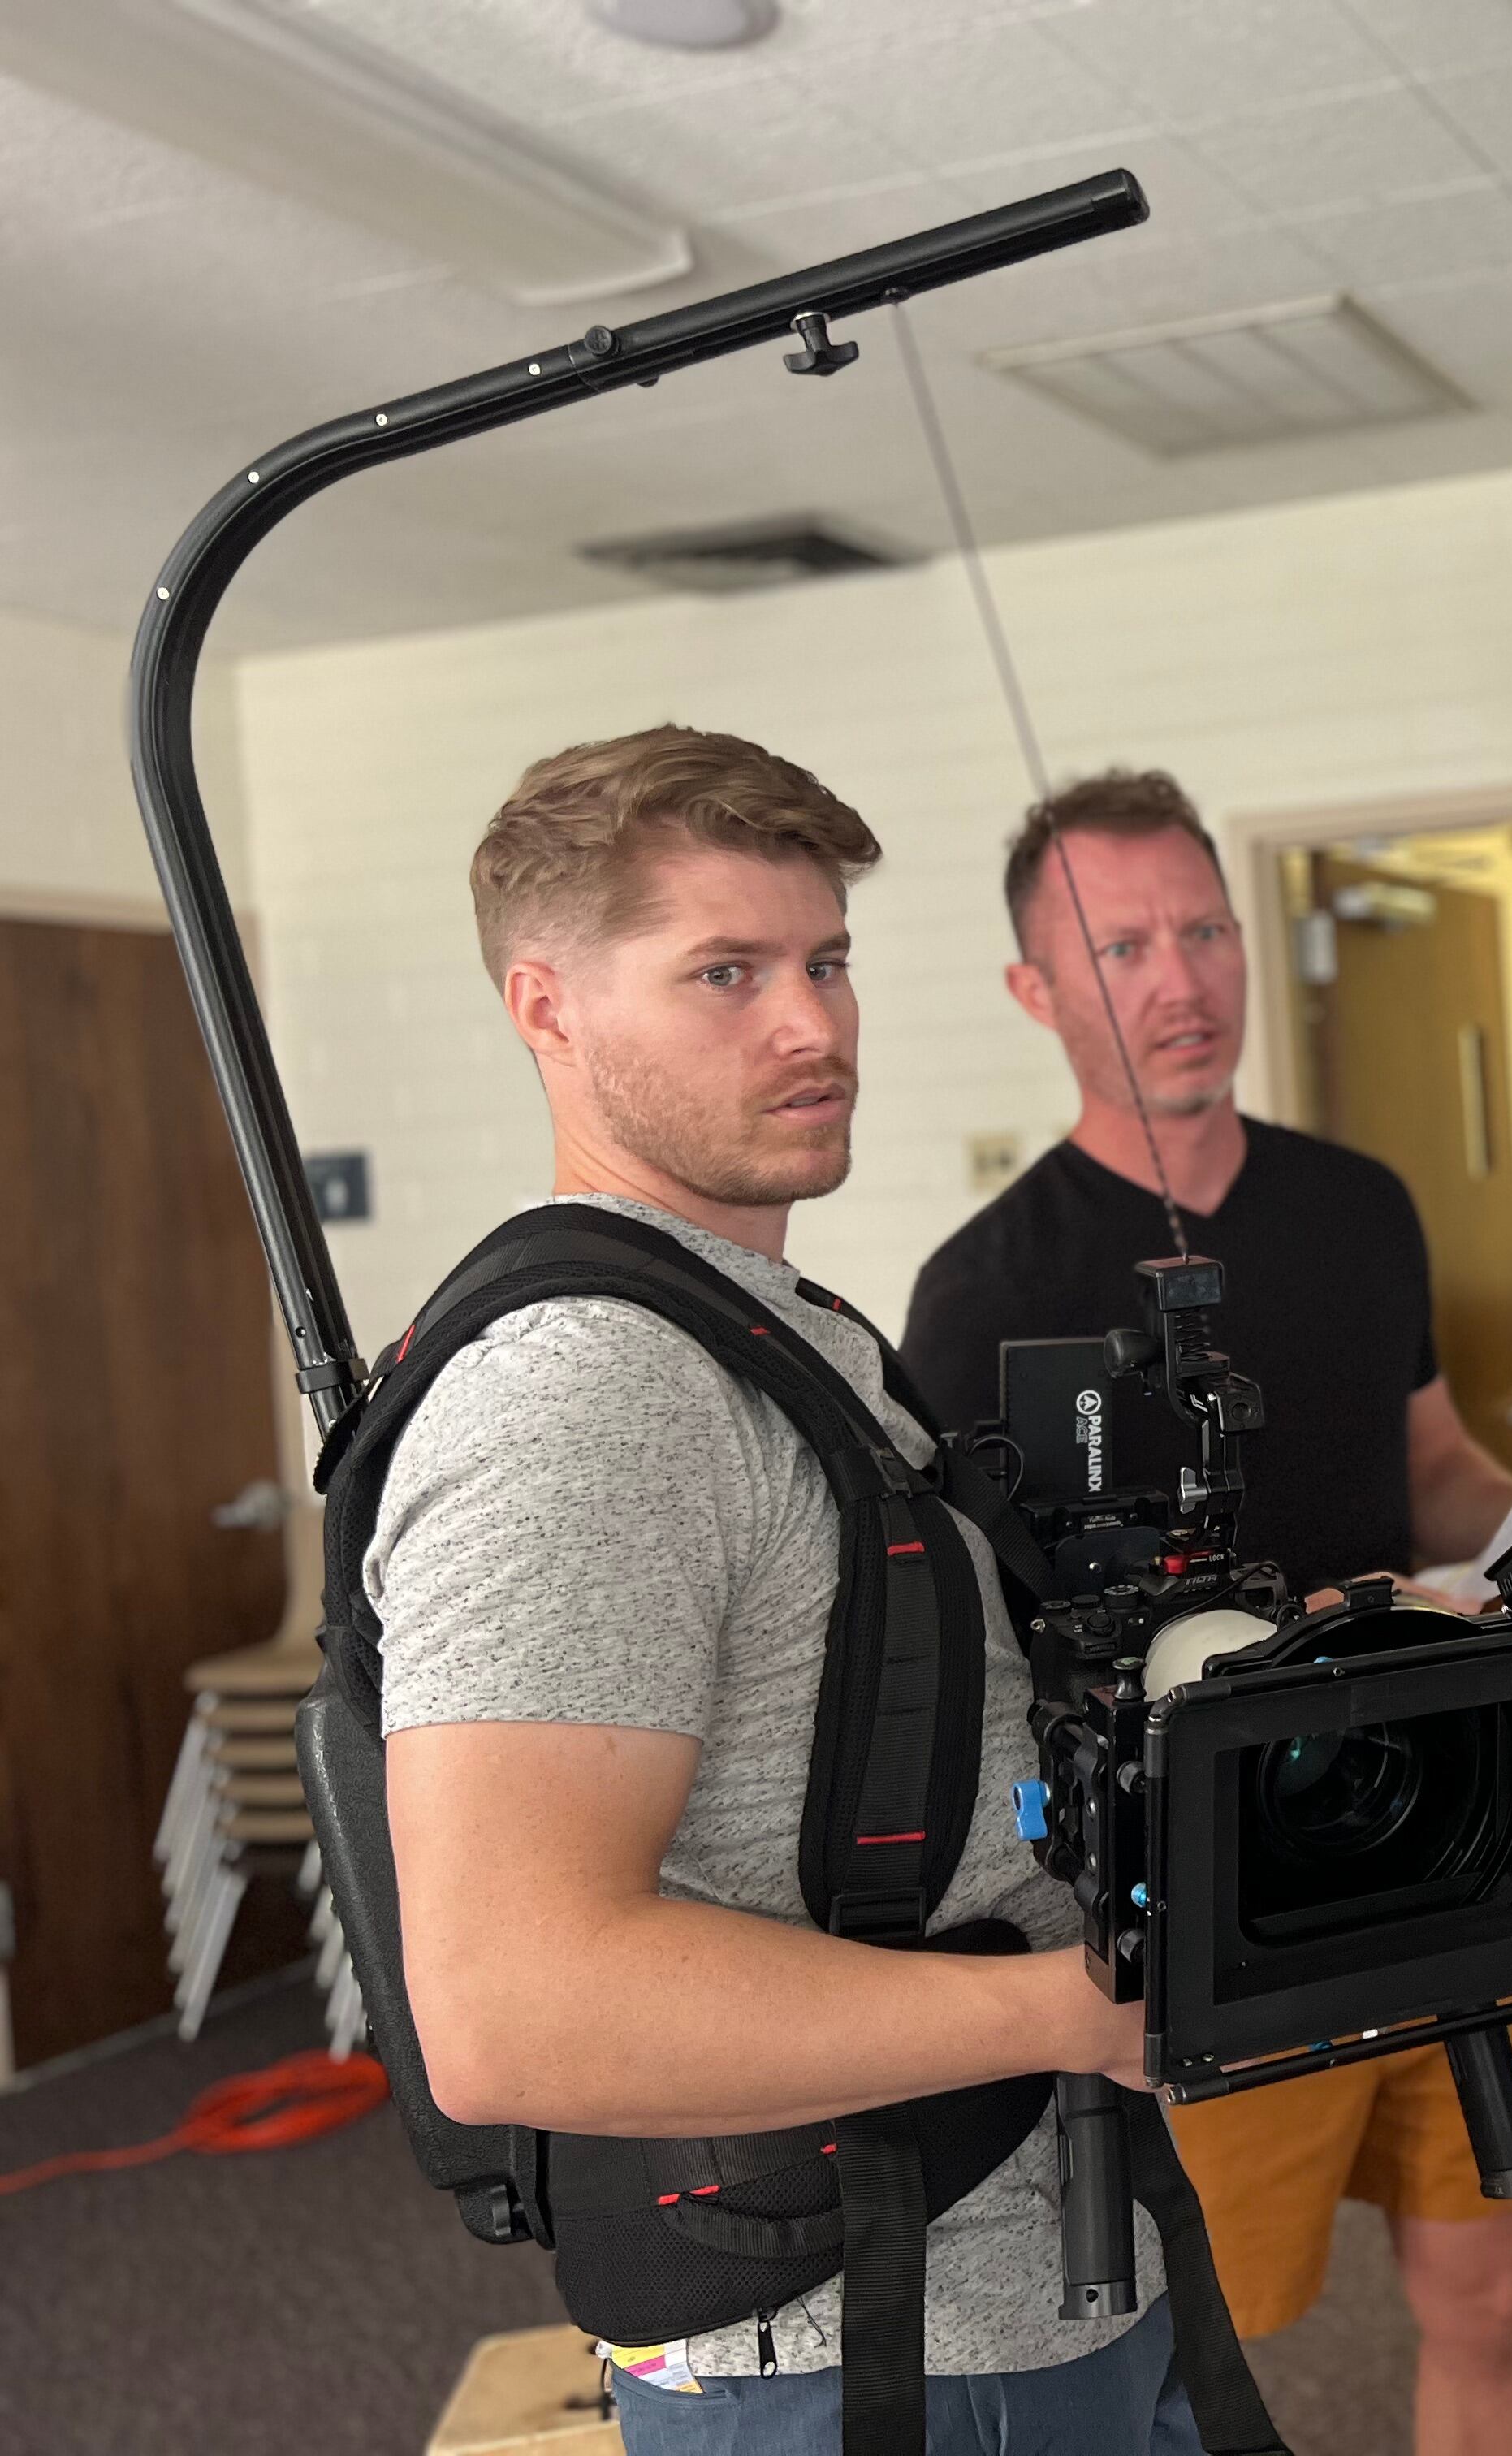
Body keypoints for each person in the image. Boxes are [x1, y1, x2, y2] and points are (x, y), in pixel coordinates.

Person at [372, 726, 1194, 2453]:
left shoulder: (778, 1336)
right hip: (853, 2346)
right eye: (724, 973)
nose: (813, 1026)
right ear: (549, 1010)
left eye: (825, 961)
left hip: (1014, 2277)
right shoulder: (587, 1393)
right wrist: (1064, 2011)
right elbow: (513, 2007)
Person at [901, 768, 1512, 2456]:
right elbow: (987, 1639)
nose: (1183, 980)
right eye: (1122, 946)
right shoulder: (983, 1286)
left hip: (1435, 1823)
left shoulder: (1361, 1207)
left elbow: (1429, 1468)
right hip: (1204, 1886)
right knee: (1192, 2352)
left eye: (1203, 930)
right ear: (1037, 993)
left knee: (1496, 2293)